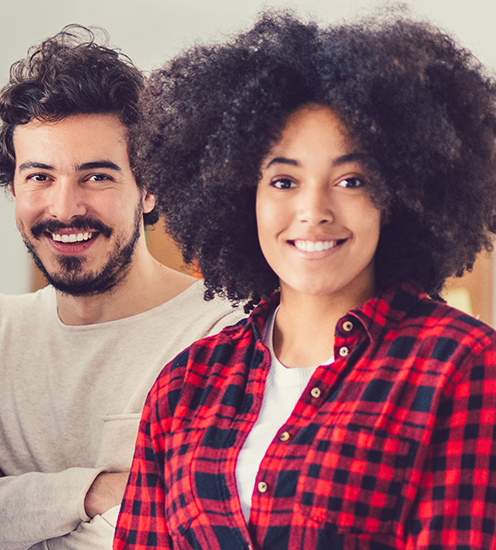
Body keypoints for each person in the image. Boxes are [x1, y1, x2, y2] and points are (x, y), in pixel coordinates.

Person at [116, 12, 496, 548]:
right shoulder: (185, 388)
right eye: (284, 180)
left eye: (351, 180)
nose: (313, 210)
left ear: (400, 196)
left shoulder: (459, 367)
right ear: (236, 192)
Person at [0, 26, 244, 550]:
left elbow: (174, 535)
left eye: (96, 177)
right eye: (39, 177)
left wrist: (17, 505)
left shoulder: (216, 334)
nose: (65, 208)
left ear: (150, 188)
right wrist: (94, 493)